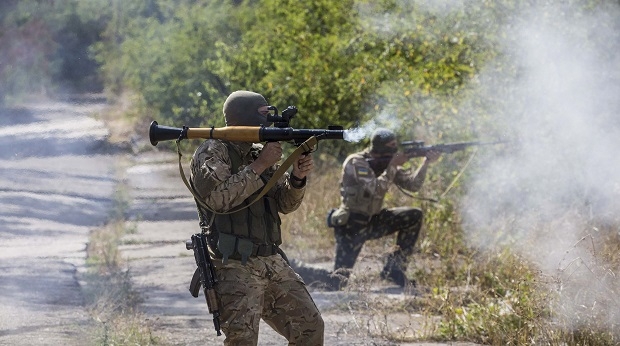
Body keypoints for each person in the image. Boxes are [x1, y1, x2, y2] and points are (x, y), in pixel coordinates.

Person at [189, 90, 324, 345]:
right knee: (243, 340)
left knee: (310, 327)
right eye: (264, 114)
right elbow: (217, 200)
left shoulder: (257, 152)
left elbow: (284, 204)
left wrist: (297, 179)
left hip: (270, 259)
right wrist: (260, 165)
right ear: (245, 116)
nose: (269, 120)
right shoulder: (212, 152)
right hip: (233, 264)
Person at [329, 127, 440, 288]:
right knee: (338, 281)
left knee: (413, 215)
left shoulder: (388, 163)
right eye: (390, 145)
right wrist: (393, 166)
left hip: (374, 221)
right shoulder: (356, 162)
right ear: (379, 147)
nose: (395, 149)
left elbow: (413, 185)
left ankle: (394, 271)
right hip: (353, 224)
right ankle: (301, 270)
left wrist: (426, 162)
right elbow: (373, 189)